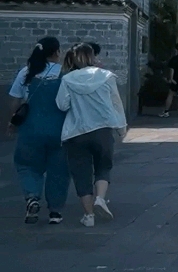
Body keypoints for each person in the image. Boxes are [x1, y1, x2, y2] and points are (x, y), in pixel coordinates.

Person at [56, 43, 126, 228]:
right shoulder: (106, 76)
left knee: (81, 173)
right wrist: (121, 127)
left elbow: (62, 105)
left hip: (77, 131)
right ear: (92, 56)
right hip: (103, 129)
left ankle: (88, 216)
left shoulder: (68, 79)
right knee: (104, 166)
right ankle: (100, 199)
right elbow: (116, 103)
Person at [7, 37, 70, 225]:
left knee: (27, 165)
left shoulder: (26, 72)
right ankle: (55, 212)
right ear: (57, 52)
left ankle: (32, 197)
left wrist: (12, 122)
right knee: (58, 170)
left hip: (30, 130)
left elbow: (14, 100)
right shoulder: (65, 74)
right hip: (59, 130)